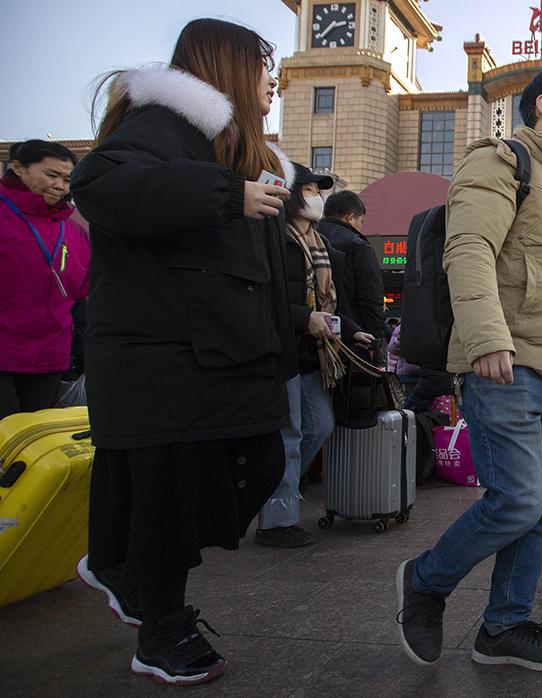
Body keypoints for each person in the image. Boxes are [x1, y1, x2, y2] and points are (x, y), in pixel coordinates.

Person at [71, 19, 295, 685]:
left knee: (261, 463)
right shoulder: (157, 125)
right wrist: (226, 194)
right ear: (225, 66)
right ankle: (160, 629)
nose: (273, 80)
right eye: (264, 64)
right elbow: (103, 185)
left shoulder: (236, 149)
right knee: (167, 500)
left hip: (227, 354)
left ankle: (121, 563)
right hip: (162, 357)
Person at [395, 66, 542, 672]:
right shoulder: (499, 162)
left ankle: (504, 627)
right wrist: (487, 336)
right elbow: (468, 251)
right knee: (517, 501)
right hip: (506, 364)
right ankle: (426, 581)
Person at [256, 162, 373, 548]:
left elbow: (331, 306)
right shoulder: (274, 238)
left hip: (314, 354)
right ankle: (276, 520)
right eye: (307, 190)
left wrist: (354, 331)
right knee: (288, 435)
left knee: (319, 425)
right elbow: (263, 301)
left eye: (317, 190)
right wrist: (305, 318)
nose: (316, 197)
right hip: (282, 350)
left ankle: (276, 490)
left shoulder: (321, 245)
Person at [0, 140, 91, 419]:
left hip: (48, 357)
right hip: (3, 349)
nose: (60, 186)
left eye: (66, 179)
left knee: (31, 442)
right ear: (18, 167)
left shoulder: (72, 229)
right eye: (51, 175)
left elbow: (82, 291)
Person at [318, 190, 387, 341]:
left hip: (313, 333)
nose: (361, 227)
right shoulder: (358, 247)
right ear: (350, 218)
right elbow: (370, 299)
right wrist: (376, 342)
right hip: (354, 338)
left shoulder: (310, 241)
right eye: (361, 222)